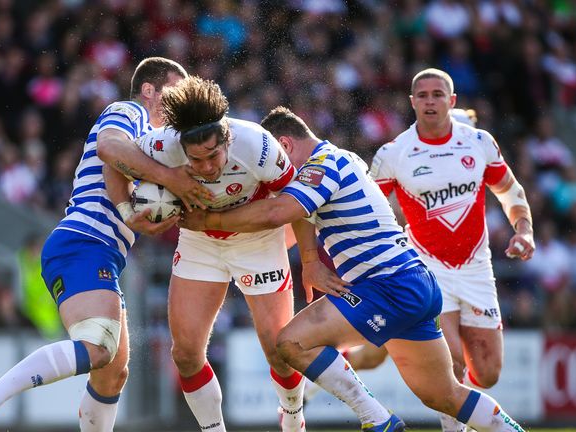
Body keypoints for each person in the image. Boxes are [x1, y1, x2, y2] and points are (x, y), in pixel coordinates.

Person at [180, 106, 528, 432]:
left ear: (283, 145)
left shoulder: (321, 165)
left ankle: (376, 420)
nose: (274, 176)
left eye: (276, 160)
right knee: (445, 396)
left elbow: (277, 213)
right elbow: (285, 229)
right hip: (415, 281)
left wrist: (210, 220)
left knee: (291, 343)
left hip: (387, 284)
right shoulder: (344, 159)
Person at [0, 57, 199, 432]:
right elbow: (109, 146)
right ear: (148, 90)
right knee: (98, 348)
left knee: (112, 374)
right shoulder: (128, 110)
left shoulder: (153, 144)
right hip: (85, 243)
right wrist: (163, 188)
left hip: (98, 250)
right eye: (173, 92)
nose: (178, 103)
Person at [121, 76, 305, 432]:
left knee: (280, 350)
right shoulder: (162, 144)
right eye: (196, 160)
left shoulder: (257, 144)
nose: (206, 167)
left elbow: (299, 204)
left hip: (258, 241)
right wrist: (126, 211)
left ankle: (294, 418)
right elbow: (113, 156)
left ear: (227, 138)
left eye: (213, 155)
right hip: (199, 241)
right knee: (185, 354)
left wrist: (309, 261)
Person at [369, 69, 535, 432]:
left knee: (487, 373)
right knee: (452, 362)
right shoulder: (393, 154)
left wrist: (524, 229)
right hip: (426, 270)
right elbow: (367, 210)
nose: (430, 101)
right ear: (412, 102)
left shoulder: (478, 142)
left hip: (477, 269)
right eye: (423, 95)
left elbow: (510, 190)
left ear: (452, 100)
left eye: (438, 94)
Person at [302, 106, 487, 403]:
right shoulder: (410, 163)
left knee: (393, 360)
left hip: (432, 276)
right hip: (408, 274)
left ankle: (313, 388)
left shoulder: (461, 169)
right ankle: (314, 388)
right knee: (439, 362)